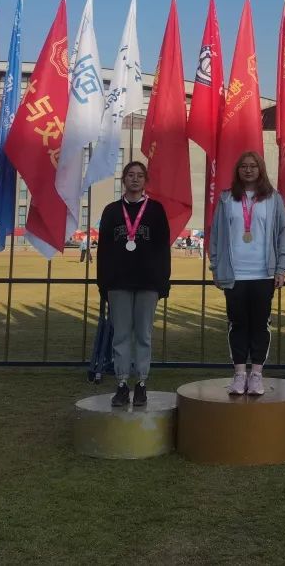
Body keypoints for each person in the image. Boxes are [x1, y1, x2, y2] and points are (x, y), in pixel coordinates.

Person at [209, 152, 285, 397]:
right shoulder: (227, 199)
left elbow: (284, 233)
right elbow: (216, 235)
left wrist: (281, 267)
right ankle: (239, 374)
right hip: (234, 273)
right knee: (237, 324)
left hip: (263, 273)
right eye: (244, 166)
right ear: (238, 170)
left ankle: (256, 374)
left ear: (260, 170)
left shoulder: (273, 199)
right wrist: (216, 267)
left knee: (260, 324)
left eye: (253, 166)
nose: (248, 170)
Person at [96, 160, 171, 408]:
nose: (135, 179)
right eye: (130, 175)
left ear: (145, 181)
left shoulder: (156, 210)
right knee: (121, 335)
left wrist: (162, 283)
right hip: (118, 283)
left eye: (139, 175)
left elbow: (163, 249)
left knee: (143, 335)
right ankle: (121, 384)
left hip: (148, 283)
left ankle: (141, 383)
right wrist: (103, 284)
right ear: (124, 180)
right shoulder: (111, 211)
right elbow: (104, 250)